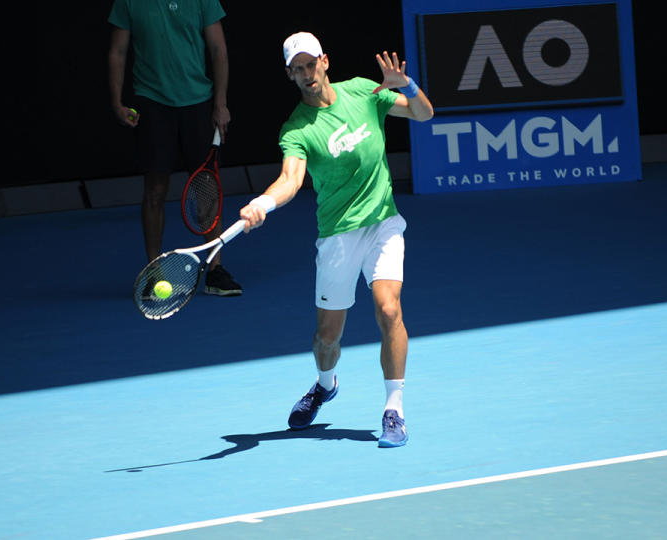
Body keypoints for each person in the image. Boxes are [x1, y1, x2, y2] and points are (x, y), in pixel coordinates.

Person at [239, 32, 434, 447]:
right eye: (298, 69)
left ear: (325, 62)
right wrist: (263, 202)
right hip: (337, 236)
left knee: (389, 309)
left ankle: (393, 409)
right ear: (290, 75)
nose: (307, 74)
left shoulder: (365, 92)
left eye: (311, 64)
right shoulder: (297, 129)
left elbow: (424, 114)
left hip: (383, 222)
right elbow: (290, 180)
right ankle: (325, 384)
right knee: (327, 338)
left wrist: (408, 86)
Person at [108, 0, 241, 296]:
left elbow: (218, 49)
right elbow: (118, 51)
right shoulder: (128, 3)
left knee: (206, 188)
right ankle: (153, 270)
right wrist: (117, 102)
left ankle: (215, 269)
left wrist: (220, 104)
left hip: (198, 102)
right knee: (154, 190)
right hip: (153, 103)